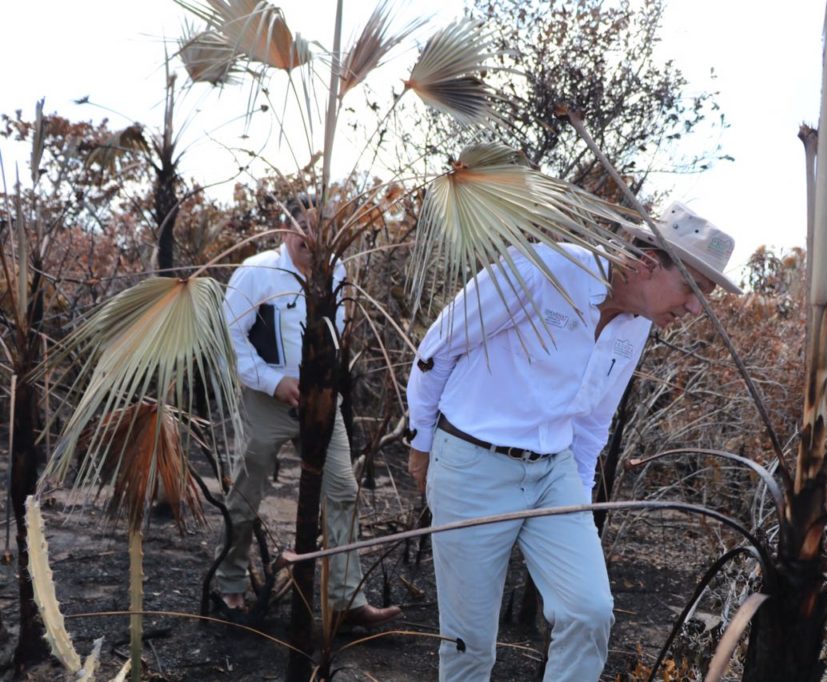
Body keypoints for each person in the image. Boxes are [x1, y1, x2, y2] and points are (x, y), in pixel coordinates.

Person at [405, 201, 740, 680]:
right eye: (691, 289)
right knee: (469, 645)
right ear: (648, 263)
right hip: (473, 465)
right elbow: (438, 348)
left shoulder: (639, 323)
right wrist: (421, 446)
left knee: (589, 612)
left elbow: (592, 422)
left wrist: (575, 506)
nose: (693, 308)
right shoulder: (544, 269)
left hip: (554, 472)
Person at [215, 195, 401, 629]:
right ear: (286, 232)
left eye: (321, 228)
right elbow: (230, 341)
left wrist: (330, 382)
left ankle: (346, 601)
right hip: (267, 402)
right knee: (246, 491)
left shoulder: (336, 271)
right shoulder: (257, 272)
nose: (311, 236)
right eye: (303, 225)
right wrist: (272, 382)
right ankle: (229, 583)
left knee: (343, 490)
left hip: (321, 403)